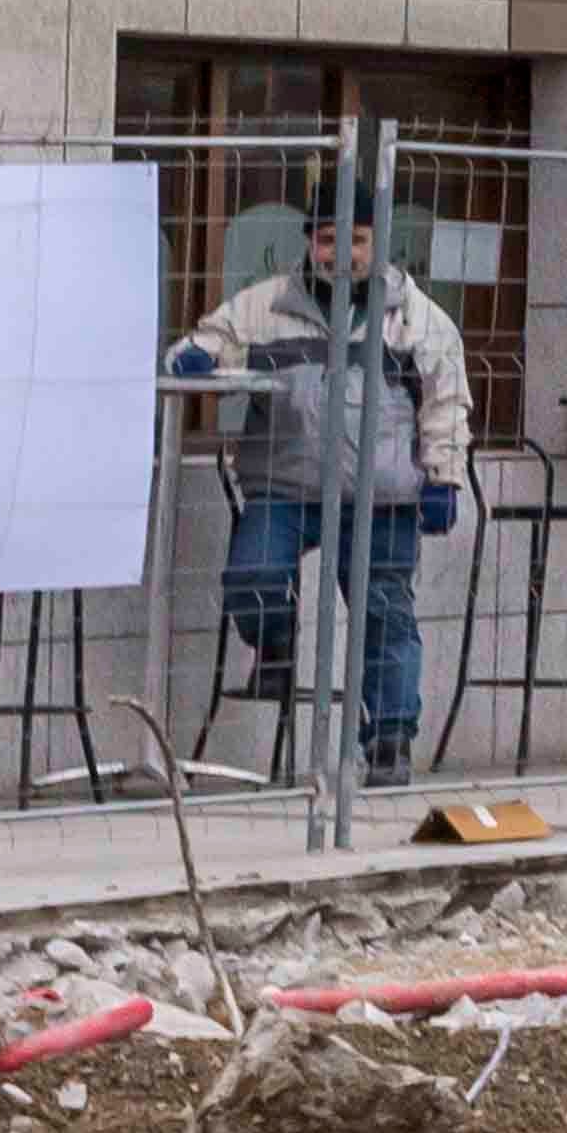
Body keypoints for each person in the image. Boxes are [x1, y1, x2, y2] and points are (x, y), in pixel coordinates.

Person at [172, 209, 471, 778]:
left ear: (377, 245)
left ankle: (388, 741)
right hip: (286, 485)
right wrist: (195, 360)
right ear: (310, 242)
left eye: (355, 241)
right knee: (252, 577)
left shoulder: (415, 318)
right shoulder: (268, 306)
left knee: (384, 615)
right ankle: (276, 644)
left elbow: (446, 400)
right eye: (328, 240)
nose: (341, 254)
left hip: (380, 497)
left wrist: (443, 477)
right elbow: (204, 343)